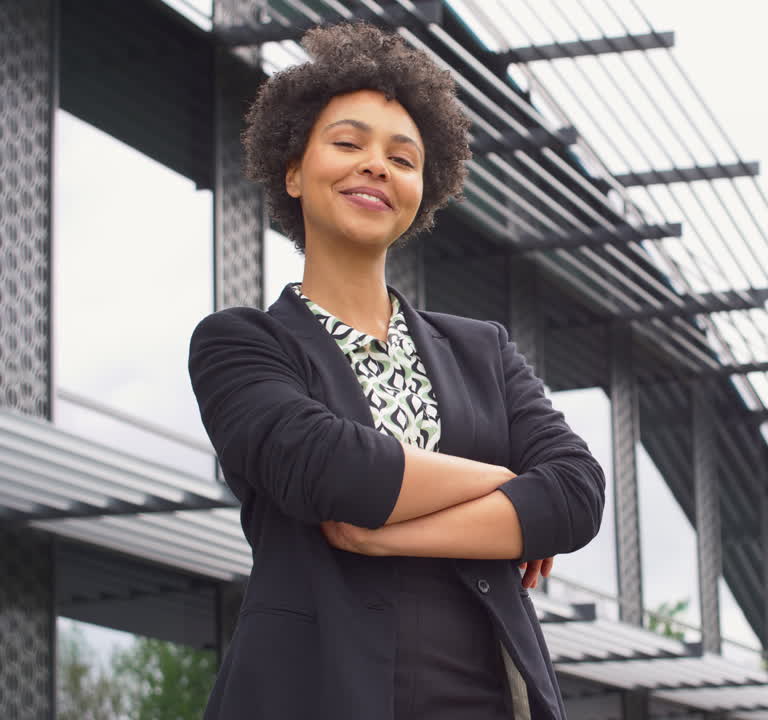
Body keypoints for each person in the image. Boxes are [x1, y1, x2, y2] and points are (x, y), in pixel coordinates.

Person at [187, 21, 605, 720]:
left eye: (402, 157)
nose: (376, 165)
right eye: (348, 144)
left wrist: (390, 535)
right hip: (313, 695)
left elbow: (577, 494)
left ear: (422, 191)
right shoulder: (240, 345)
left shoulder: (485, 350)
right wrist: (506, 486)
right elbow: (333, 469)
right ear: (292, 169)